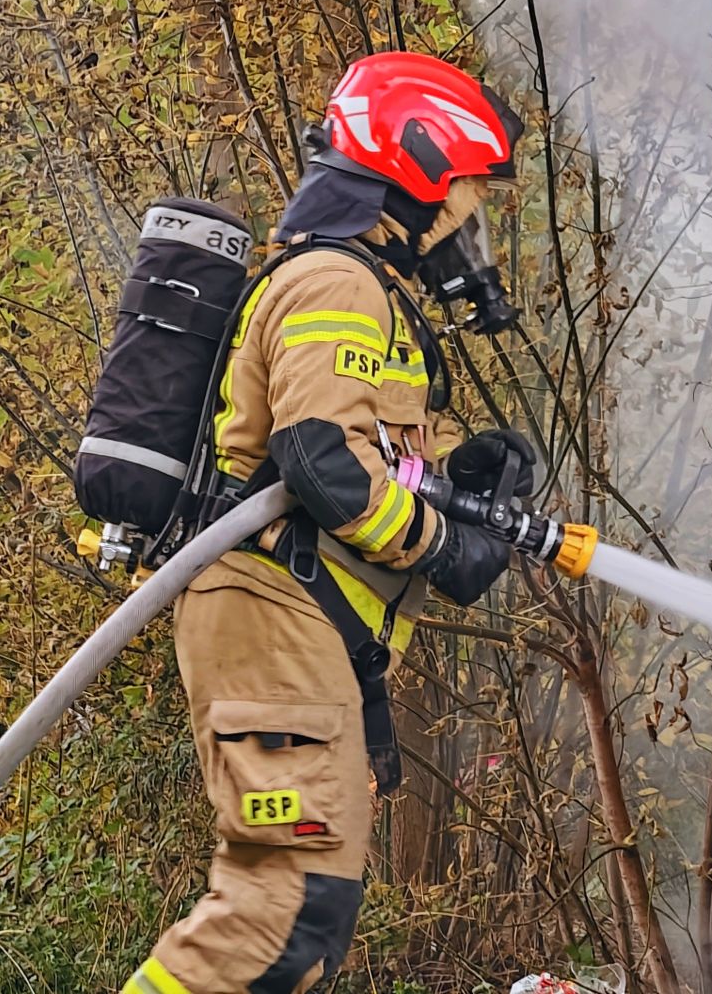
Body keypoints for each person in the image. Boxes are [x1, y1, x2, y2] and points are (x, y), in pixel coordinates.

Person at [124, 52, 539, 994]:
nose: (471, 220)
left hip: (299, 628)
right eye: (469, 192)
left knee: (300, 921)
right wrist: (442, 544)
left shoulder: (359, 287)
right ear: (416, 166)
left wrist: (453, 475)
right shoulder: (335, 283)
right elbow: (321, 463)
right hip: (272, 619)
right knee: (277, 913)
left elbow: (358, 455)